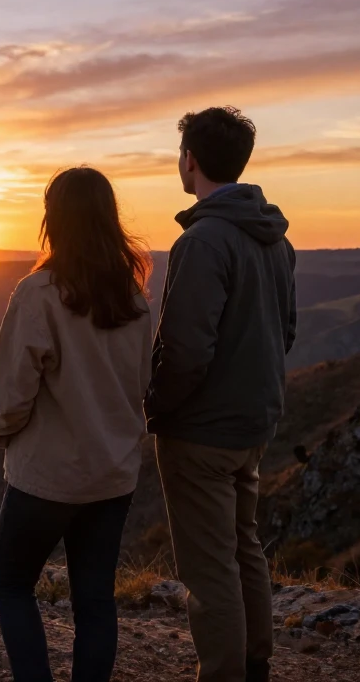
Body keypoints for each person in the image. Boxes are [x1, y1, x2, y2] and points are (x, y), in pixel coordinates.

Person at [0, 166, 153, 682]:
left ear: (53, 220)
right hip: (113, 473)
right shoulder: (133, 297)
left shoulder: (39, 293)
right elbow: (140, 382)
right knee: (95, 600)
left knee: (10, 583)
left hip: (48, 477)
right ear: (109, 219)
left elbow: (12, 395)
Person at [145, 107, 296, 682]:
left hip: (200, 431)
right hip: (253, 424)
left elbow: (185, 351)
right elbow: (285, 332)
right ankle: (256, 662)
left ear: (190, 160)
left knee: (209, 569)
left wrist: (155, 406)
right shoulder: (276, 240)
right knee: (243, 546)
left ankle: (225, 674)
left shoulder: (204, 241)